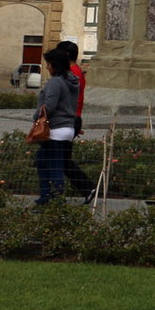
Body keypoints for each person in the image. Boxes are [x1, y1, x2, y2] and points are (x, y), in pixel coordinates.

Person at [32, 47, 78, 206]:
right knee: (43, 160)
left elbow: (49, 107)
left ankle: (55, 198)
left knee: (53, 164)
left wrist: (36, 117)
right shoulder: (71, 80)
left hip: (56, 129)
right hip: (67, 128)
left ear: (54, 65)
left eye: (48, 64)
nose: (46, 67)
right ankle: (47, 195)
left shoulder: (55, 82)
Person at [57, 40, 94, 201]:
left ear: (65, 55)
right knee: (60, 159)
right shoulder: (75, 71)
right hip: (72, 118)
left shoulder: (72, 73)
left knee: (60, 159)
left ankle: (87, 187)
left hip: (69, 118)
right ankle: (86, 189)